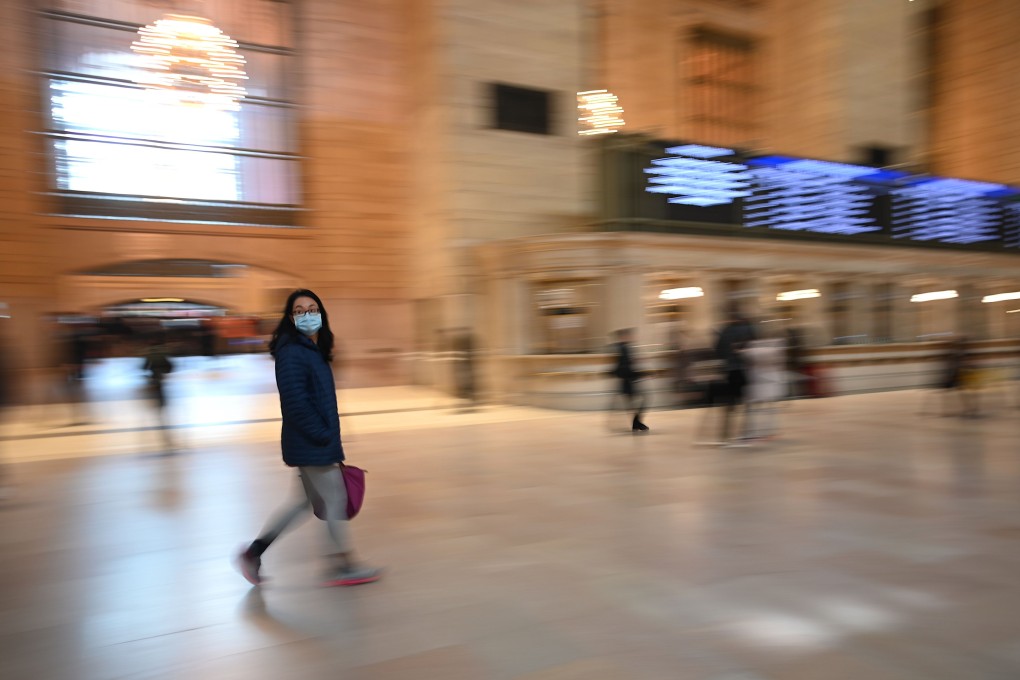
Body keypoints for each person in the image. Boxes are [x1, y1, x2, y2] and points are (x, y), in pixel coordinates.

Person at [236, 289, 381, 587]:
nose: (307, 315)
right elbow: (295, 403)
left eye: (312, 308)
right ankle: (342, 564)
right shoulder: (292, 352)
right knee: (336, 499)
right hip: (311, 443)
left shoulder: (311, 350)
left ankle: (254, 552)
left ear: (321, 313)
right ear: (291, 318)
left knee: (301, 503)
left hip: (312, 441)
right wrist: (323, 435)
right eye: (300, 311)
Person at [713, 304, 756, 445]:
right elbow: (756, 346)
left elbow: (717, 351)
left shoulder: (724, 331)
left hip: (730, 371)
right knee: (748, 402)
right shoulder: (748, 329)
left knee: (730, 405)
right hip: (746, 370)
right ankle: (746, 433)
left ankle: (725, 435)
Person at [610, 328, 649, 432]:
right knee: (642, 400)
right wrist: (642, 374)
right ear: (624, 337)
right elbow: (625, 368)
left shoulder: (622, 348)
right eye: (629, 335)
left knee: (634, 404)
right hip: (627, 382)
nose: (632, 337)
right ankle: (637, 423)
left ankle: (637, 424)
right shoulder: (623, 349)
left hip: (627, 382)